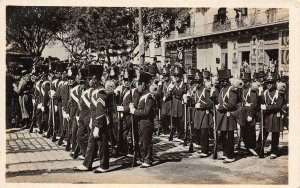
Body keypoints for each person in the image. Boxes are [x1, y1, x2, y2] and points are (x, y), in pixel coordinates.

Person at [74, 65, 110, 173]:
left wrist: (97, 126)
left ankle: (104, 166)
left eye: (90, 79)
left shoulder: (101, 92)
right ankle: (87, 164)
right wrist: (91, 120)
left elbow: (100, 110)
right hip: (94, 121)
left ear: (95, 78)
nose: (88, 81)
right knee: (91, 143)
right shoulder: (94, 91)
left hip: (100, 122)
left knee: (102, 144)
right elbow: (92, 109)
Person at [129, 70, 156, 167]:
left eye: (139, 84)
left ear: (144, 85)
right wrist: (133, 107)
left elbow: (146, 112)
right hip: (141, 123)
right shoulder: (142, 96)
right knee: (141, 142)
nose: (138, 86)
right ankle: (144, 158)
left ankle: (148, 159)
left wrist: (134, 111)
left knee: (146, 142)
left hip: (146, 123)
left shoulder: (149, 97)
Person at [256, 72, 284, 159]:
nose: (269, 85)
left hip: (275, 115)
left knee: (275, 134)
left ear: (274, 83)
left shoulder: (278, 93)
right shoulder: (264, 93)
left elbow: (278, 106)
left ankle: (274, 151)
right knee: (263, 133)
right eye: (267, 83)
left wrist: (267, 108)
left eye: (271, 83)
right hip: (267, 116)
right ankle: (260, 149)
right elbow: (260, 104)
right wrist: (259, 96)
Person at [216, 69, 238, 163]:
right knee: (224, 135)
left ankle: (230, 155)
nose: (222, 83)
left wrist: (220, 107)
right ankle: (225, 153)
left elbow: (232, 104)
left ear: (226, 80)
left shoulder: (231, 89)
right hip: (223, 116)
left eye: (223, 81)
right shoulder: (222, 89)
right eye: (221, 81)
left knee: (229, 137)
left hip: (229, 116)